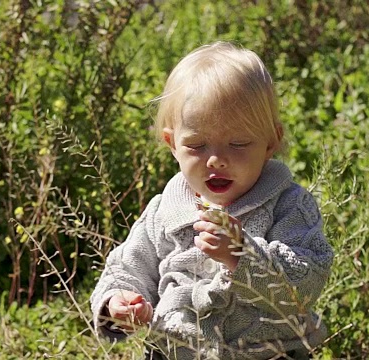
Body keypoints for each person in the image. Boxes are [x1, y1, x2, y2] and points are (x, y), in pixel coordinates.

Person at [90, 41, 334, 360]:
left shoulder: (288, 204)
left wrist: (242, 254)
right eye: (197, 145)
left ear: (270, 142)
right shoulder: (164, 211)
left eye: (238, 143)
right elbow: (126, 267)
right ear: (172, 143)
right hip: (178, 349)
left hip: (267, 352)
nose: (216, 159)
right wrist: (117, 302)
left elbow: (306, 283)